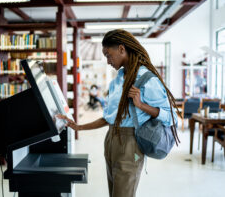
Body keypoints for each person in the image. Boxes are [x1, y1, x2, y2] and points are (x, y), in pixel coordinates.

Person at [57, 29, 179, 197]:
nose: (108, 61)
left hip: (131, 144)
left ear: (122, 49)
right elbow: (110, 118)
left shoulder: (146, 78)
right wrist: (78, 127)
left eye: (108, 55)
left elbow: (170, 115)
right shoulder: (118, 79)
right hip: (111, 140)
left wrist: (141, 105)